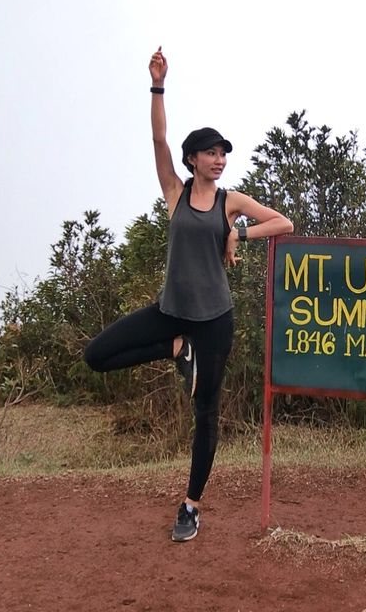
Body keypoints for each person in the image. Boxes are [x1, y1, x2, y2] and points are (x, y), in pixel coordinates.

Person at [83, 46, 294, 542]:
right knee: (97, 355)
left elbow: (282, 222)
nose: (219, 161)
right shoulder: (175, 193)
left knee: (206, 415)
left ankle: (191, 506)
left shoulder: (230, 202)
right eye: (211, 153)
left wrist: (237, 234)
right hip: (170, 313)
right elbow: (157, 136)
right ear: (192, 159)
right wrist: (158, 85)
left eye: (223, 154)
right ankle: (174, 350)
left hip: (214, 320)